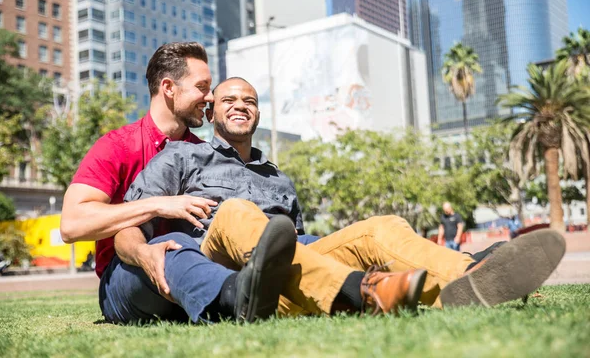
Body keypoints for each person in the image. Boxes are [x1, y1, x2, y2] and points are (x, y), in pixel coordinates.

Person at [116, 77, 566, 314]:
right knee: (237, 213)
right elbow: (126, 227)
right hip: (219, 259)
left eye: (249, 101)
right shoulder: (181, 158)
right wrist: (145, 255)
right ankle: (360, 292)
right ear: (211, 111)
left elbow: (294, 245)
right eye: (229, 99)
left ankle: (474, 275)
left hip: (279, 269)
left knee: (382, 227)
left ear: (257, 113)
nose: (240, 105)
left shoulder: (279, 178)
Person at [60, 42, 299, 324]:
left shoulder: (204, 154)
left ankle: (236, 292)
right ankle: (233, 295)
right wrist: (158, 206)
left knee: (186, 247)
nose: (209, 97)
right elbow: (72, 225)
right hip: (131, 272)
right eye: (202, 87)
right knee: (173, 245)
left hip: (201, 269)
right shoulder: (118, 146)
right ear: (169, 88)